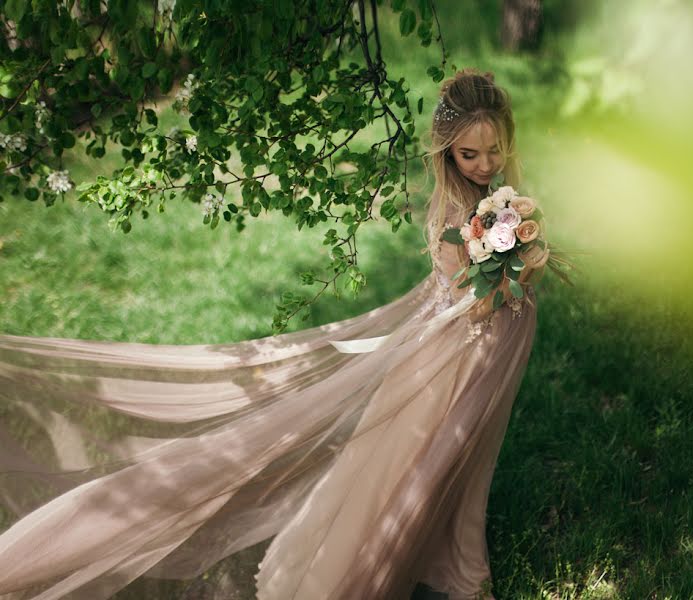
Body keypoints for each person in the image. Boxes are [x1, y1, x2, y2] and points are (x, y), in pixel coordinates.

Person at [0, 68, 542, 600]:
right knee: (430, 460)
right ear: (446, 151)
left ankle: (449, 554)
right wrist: (523, 268)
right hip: (458, 355)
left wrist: (518, 244)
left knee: (470, 459)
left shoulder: (498, 198)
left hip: (490, 349)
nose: (484, 164)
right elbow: (471, 306)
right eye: (470, 154)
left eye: (494, 151)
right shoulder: (452, 215)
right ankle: (436, 570)